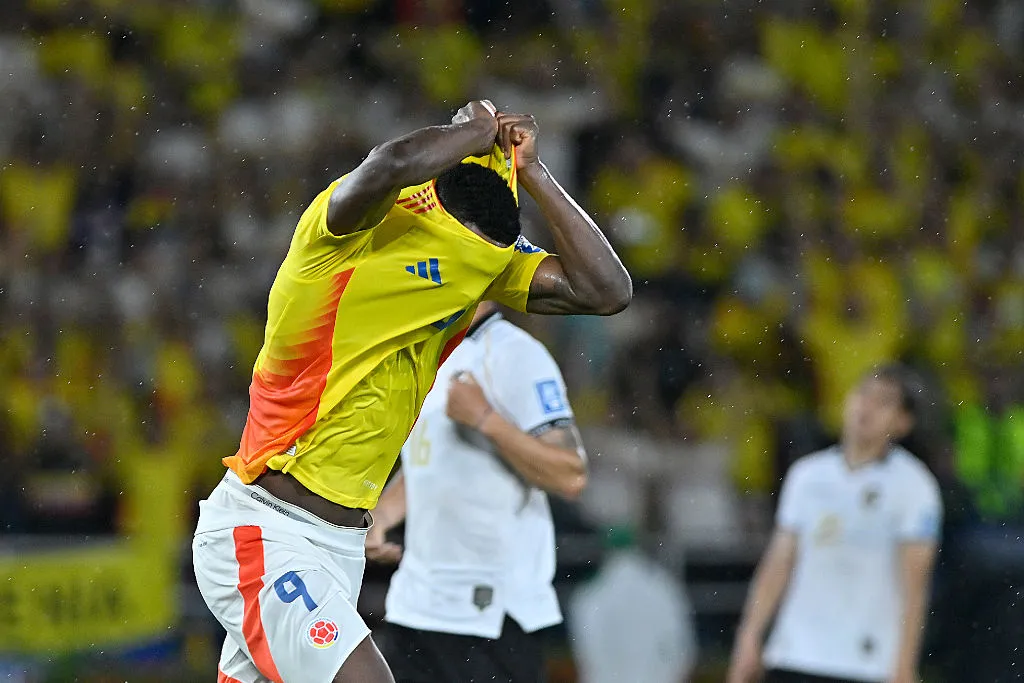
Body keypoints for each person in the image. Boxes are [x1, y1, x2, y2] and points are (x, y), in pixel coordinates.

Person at [191, 101, 632, 683]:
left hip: (339, 548)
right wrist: (472, 131)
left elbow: (607, 291)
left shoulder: (483, 264)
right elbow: (389, 162)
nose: (465, 288)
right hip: (266, 530)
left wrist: (535, 174)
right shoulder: (348, 235)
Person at [366, 300, 586, 683]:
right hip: (415, 606)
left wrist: (487, 420)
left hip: (490, 614)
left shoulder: (516, 354)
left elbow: (570, 474)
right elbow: (431, 460)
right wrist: (382, 516)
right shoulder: (422, 351)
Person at [727, 364, 943, 683]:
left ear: (902, 422)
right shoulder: (807, 476)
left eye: (883, 401)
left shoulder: (913, 487)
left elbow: (914, 586)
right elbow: (778, 563)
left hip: (866, 662)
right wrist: (749, 636)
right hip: (796, 654)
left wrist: (904, 666)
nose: (866, 407)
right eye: (862, 394)